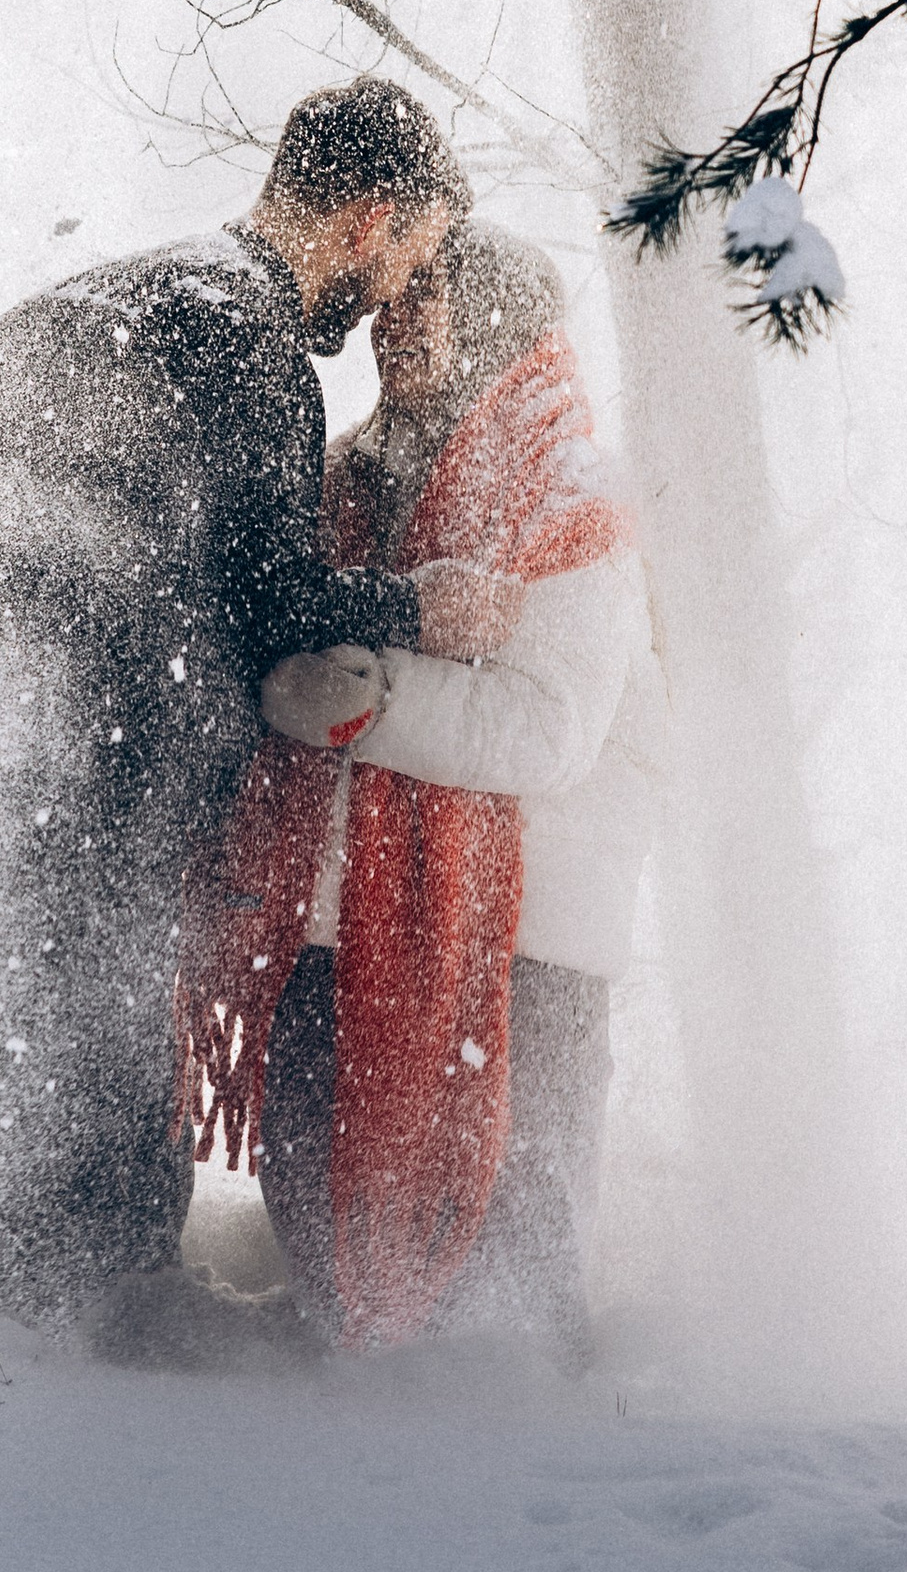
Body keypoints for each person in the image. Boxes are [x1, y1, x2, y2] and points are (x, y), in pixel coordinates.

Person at [0, 78, 504, 1333]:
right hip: (93, 764)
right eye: (412, 258)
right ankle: (84, 1385)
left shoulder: (71, 305)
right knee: (108, 1116)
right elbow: (269, 598)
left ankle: (8, 1351)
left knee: (26, 1064)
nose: (396, 292)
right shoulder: (245, 340)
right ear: (368, 219)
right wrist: (419, 608)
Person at [177, 224, 665, 1359]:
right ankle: (348, 1461)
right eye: (396, 299)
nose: (394, 321)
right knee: (322, 1227)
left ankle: (523, 1462)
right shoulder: (347, 474)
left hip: (523, 944)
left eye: (428, 301)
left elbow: (548, 728)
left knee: (509, 1252)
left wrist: (366, 701)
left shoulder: (569, 497)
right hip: (335, 920)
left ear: (494, 325)